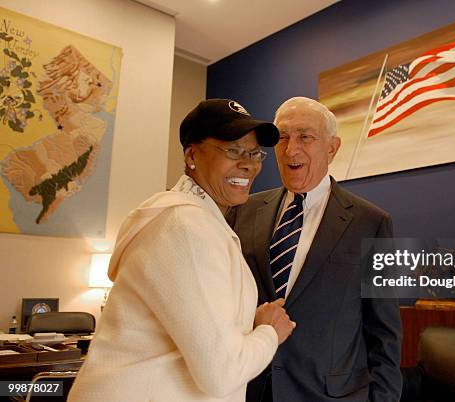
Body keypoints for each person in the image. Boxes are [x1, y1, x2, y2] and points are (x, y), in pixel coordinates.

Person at [68, 99, 295, 402]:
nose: (249, 164)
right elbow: (222, 373)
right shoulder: (184, 226)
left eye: (254, 153)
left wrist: (245, 322)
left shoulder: (199, 220)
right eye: (233, 150)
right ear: (192, 155)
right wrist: (269, 332)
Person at [230, 97, 402, 402]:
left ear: (332, 148)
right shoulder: (243, 210)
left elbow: (384, 333)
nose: (290, 149)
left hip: (329, 395)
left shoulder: (371, 223)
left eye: (305, 137)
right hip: (248, 387)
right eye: (282, 137)